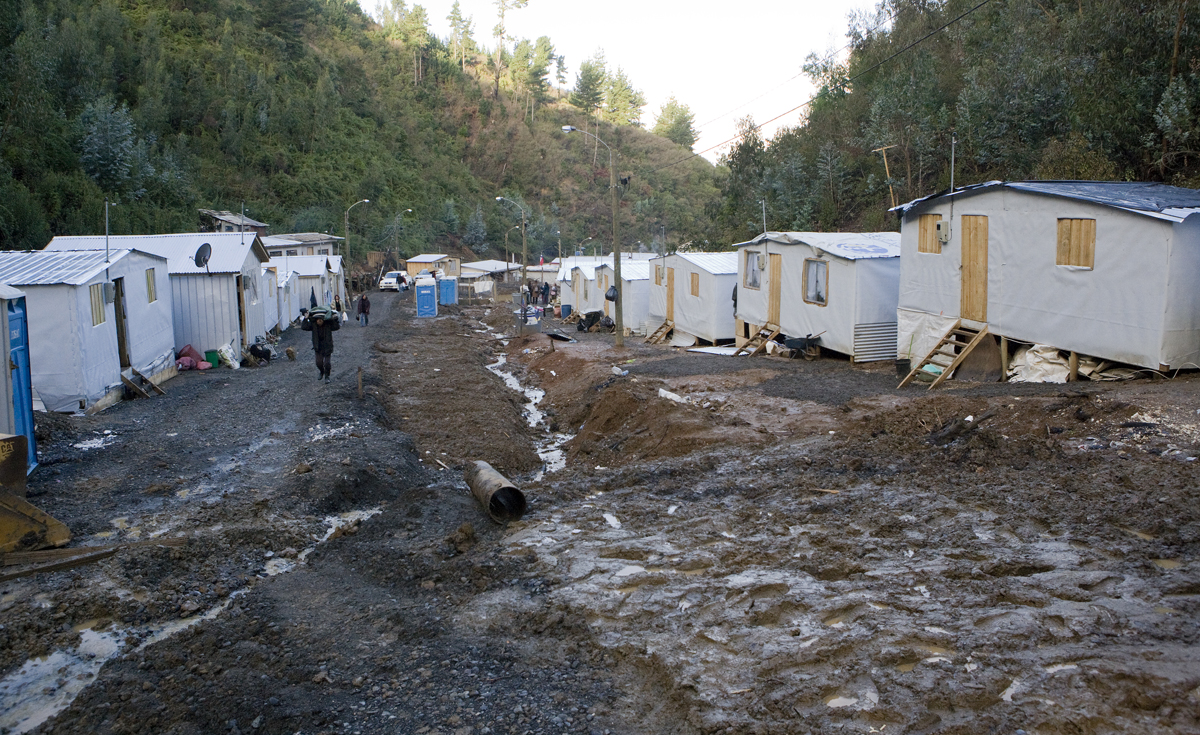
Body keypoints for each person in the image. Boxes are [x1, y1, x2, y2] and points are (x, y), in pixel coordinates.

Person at [302, 308, 340, 383]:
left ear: (323, 320)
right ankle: (322, 371)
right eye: (318, 320)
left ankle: (327, 376)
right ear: (315, 320)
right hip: (318, 347)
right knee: (318, 363)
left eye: (321, 320)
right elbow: (304, 327)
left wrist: (335, 319)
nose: (319, 321)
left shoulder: (328, 325)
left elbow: (336, 327)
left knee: (327, 363)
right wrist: (305, 318)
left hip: (327, 346)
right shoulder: (313, 325)